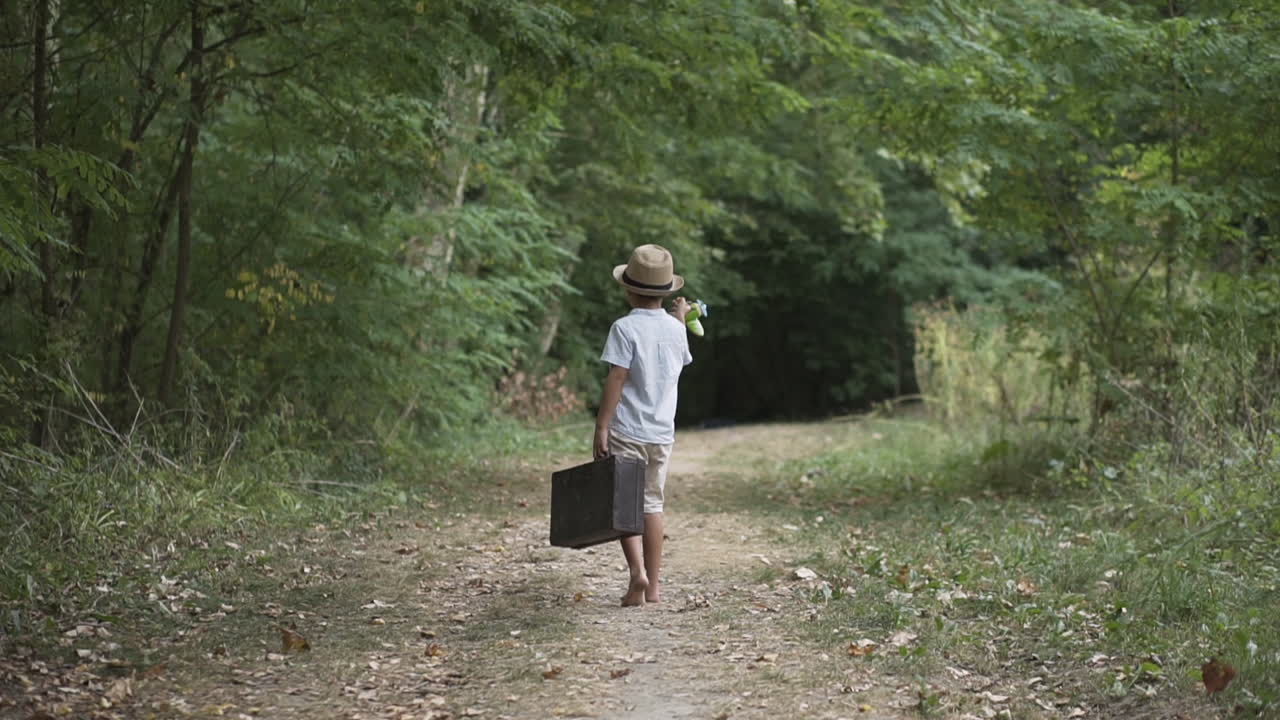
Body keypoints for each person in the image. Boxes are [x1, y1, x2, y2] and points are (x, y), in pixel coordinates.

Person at [594, 244, 693, 607]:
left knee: (625, 504)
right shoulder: (675, 330)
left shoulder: (623, 328)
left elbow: (617, 377)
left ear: (629, 289)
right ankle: (654, 589)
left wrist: (602, 425)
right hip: (660, 433)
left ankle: (637, 572)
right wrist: (680, 316)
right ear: (667, 293)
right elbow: (679, 358)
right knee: (653, 504)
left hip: (627, 429)